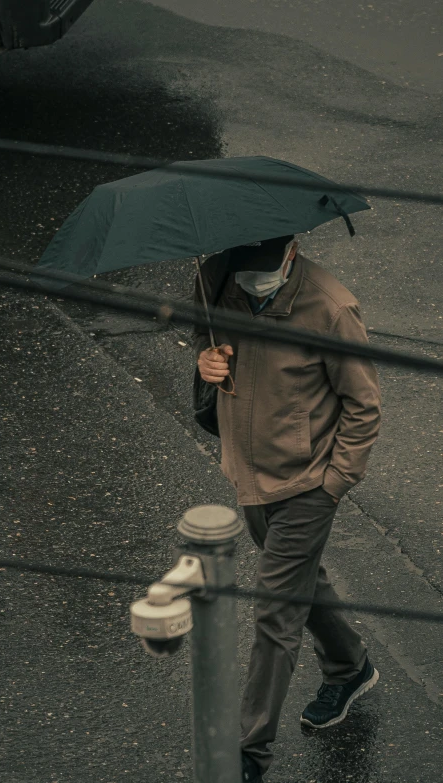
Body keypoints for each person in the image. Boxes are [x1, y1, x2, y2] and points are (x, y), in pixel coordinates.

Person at [193, 235, 381, 783]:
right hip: (247, 472)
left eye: (262, 267)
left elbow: (363, 405)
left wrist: (334, 483)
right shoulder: (215, 278)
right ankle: (350, 667)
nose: (250, 277)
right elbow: (202, 340)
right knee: (301, 582)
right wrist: (205, 361)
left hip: (307, 483)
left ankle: (248, 754)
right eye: (241, 265)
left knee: (275, 613)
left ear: (291, 249)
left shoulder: (331, 306)